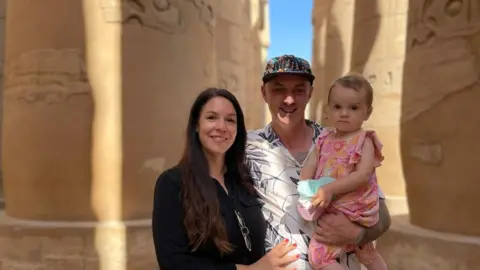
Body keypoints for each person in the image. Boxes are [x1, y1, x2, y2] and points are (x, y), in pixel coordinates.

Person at [245, 55, 391, 269]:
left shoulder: (344, 140)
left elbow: (384, 217)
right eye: (278, 89)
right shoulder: (247, 147)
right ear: (264, 93)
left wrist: (358, 234)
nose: (289, 99)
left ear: (310, 94)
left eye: (298, 90)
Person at [152, 88, 299, 270]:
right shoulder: (172, 183)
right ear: (196, 125)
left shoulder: (245, 180)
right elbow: (172, 262)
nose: (221, 127)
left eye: (230, 120)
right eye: (211, 117)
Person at [297, 73, 388, 269]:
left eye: (353, 108)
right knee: (365, 251)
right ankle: (371, 260)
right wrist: (304, 186)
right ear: (328, 109)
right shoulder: (324, 139)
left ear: (367, 112)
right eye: (337, 107)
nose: (344, 113)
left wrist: (330, 189)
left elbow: (362, 175)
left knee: (319, 257)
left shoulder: (364, 140)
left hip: (355, 208)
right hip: (335, 206)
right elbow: (310, 164)